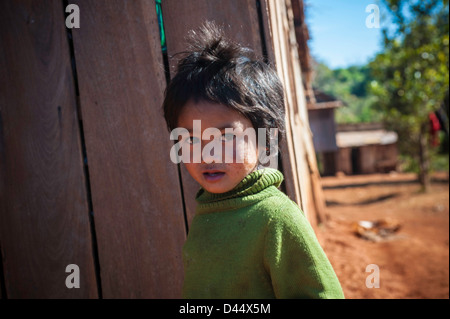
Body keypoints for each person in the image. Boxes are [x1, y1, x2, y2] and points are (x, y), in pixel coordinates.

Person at [162, 22, 344, 299]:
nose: (206, 154)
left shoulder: (276, 218)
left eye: (224, 137)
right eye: (191, 139)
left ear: (265, 139)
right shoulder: (209, 211)